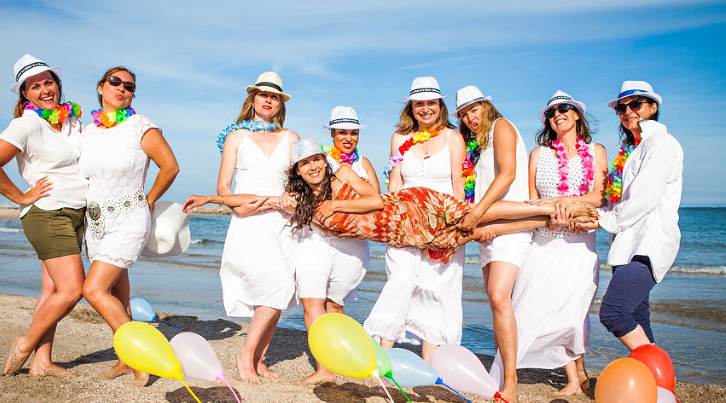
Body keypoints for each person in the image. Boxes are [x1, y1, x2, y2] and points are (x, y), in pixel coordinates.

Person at [184, 138, 592, 261]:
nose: (311, 168)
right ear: (296, 170)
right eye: (304, 164)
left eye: (315, 161)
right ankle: (548, 220)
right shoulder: (295, 200)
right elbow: (253, 197)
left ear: (322, 163)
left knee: (471, 214)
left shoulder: (341, 174)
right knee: (471, 234)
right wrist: (208, 198)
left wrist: (337, 205)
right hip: (399, 233)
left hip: (408, 206)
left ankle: (549, 205)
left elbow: (376, 201)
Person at [489, 91, 608, 397]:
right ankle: (573, 376)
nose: (558, 114)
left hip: (579, 246)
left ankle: (578, 373)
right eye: (552, 111)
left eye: (564, 108)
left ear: (577, 114)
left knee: (573, 311)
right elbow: (531, 200)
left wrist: (564, 201)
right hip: (543, 242)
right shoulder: (538, 155)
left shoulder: (596, 152)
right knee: (544, 311)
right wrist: (547, 213)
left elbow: (600, 196)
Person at [0, 54, 87, 377]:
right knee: (72, 290)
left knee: (51, 290)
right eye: (34, 86)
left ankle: (42, 361)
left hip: (74, 212)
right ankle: (25, 344)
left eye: (48, 82)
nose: (44, 90)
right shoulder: (26, 123)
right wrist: (22, 196)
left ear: (58, 84)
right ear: (25, 94)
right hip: (48, 212)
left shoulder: (72, 122)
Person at [79, 66, 179, 385]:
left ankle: (140, 357)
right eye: (115, 82)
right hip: (96, 222)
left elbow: (170, 167)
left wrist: (149, 199)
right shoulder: (87, 131)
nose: (122, 88)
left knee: (92, 289)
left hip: (128, 218)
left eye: (130, 86)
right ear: (100, 87)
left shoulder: (141, 126)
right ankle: (123, 358)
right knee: (116, 293)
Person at [364, 77, 467, 363]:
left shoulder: (453, 137)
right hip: (405, 224)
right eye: (419, 103)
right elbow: (394, 183)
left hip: (442, 225)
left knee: (437, 290)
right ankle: (381, 354)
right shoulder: (399, 138)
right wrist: (391, 220)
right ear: (411, 106)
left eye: (431, 102)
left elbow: (458, 187)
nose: (425, 109)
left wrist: (455, 231)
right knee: (401, 280)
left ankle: (430, 364)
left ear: (440, 105)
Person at [575, 81, 683, 351]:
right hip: (627, 243)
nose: (627, 111)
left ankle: (657, 377)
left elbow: (644, 198)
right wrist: (592, 213)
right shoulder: (632, 149)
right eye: (621, 107)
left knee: (613, 312)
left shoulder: (661, 143)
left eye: (636, 104)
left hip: (648, 243)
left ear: (653, 107)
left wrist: (602, 220)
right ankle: (658, 385)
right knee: (637, 316)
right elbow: (619, 201)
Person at [215, 72, 299, 383]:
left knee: (282, 287)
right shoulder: (236, 138)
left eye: (274, 96)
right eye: (263, 94)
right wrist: (237, 205)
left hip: (282, 219)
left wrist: (287, 201)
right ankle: (246, 355)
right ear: (253, 99)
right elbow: (223, 185)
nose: (268, 99)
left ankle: (259, 358)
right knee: (275, 283)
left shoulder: (290, 138)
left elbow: (299, 181)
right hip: (248, 219)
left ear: (280, 104)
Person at [454, 85, 531, 403]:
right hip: (488, 226)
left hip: (509, 225)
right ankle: (501, 371)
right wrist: (479, 221)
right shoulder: (476, 143)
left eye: (474, 109)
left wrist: (477, 213)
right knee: (497, 302)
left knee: (500, 297)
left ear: (487, 105)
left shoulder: (502, 126)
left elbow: (508, 175)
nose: (470, 117)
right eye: (463, 114)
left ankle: (511, 380)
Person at [294, 107, 378, 383]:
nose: (348, 138)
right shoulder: (319, 161)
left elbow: (377, 201)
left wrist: (337, 206)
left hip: (350, 244)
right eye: (343, 132)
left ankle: (340, 357)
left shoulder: (362, 164)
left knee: (335, 304)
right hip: (315, 239)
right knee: (311, 301)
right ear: (332, 133)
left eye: (353, 132)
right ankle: (324, 369)